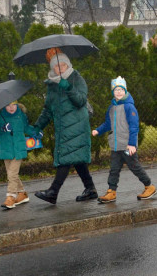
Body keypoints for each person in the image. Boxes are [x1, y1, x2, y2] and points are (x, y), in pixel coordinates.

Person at [32, 48, 98, 205]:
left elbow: (81, 100)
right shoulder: (51, 85)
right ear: (52, 68)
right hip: (63, 127)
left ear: (68, 65)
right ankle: (91, 189)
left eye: (62, 65)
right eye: (56, 66)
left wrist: (68, 87)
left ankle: (53, 192)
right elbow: (48, 109)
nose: (59, 68)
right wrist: (37, 127)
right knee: (77, 159)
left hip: (77, 126)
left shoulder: (76, 78)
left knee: (66, 158)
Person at [92, 76, 157, 203]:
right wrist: (98, 130)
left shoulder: (129, 107)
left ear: (125, 90)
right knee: (114, 169)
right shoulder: (111, 108)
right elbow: (108, 124)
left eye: (121, 89)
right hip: (116, 146)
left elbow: (134, 126)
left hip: (127, 145)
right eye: (116, 90)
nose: (119, 92)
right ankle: (111, 191)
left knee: (135, 167)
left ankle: (149, 186)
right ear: (113, 92)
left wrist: (132, 144)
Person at [0, 101, 38, 209]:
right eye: (8, 105)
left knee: (12, 174)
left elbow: (27, 128)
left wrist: (36, 132)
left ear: (17, 104)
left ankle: (10, 197)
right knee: (12, 174)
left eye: (13, 104)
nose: (11, 107)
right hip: (6, 150)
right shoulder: (0, 117)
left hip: (18, 149)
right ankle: (22, 194)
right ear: (4, 106)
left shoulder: (21, 116)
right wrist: (2, 129)